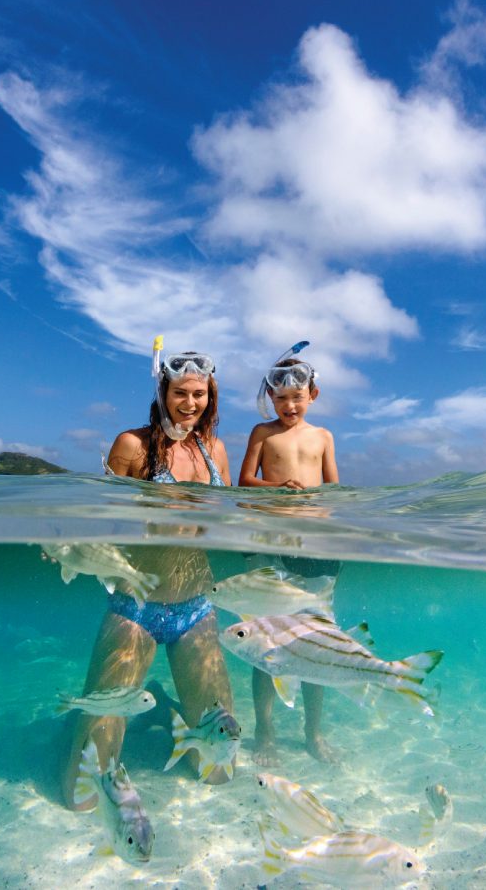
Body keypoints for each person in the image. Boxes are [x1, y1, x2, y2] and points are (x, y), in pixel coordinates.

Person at [62, 338, 236, 810]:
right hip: (136, 607)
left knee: (220, 767)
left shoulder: (214, 450)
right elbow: (99, 518)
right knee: (82, 796)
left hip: (197, 608)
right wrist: (66, 547)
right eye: (181, 392)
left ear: (211, 396)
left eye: (199, 394)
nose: (190, 403)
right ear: (162, 391)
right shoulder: (132, 445)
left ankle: (159, 714)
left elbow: (230, 520)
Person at [237, 343, 341, 764]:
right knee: (267, 646)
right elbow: (245, 482)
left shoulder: (324, 436)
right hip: (274, 545)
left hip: (315, 545)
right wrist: (277, 490)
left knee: (317, 644)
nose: (289, 405)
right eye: (280, 399)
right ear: (270, 398)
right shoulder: (262, 433)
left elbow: (334, 489)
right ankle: (265, 732)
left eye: (297, 398)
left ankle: (313, 734)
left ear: (312, 395)